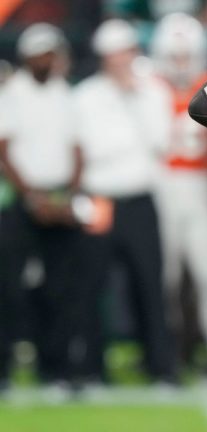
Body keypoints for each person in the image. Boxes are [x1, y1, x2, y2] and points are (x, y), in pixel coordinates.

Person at [71, 19, 176, 384]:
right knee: (91, 284)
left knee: (149, 283)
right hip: (98, 199)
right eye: (114, 55)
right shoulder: (84, 95)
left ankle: (160, 366)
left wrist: (132, 99)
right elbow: (89, 149)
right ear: (103, 57)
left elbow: (162, 140)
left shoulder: (153, 92)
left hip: (139, 198)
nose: (121, 61)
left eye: (126, 52)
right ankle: (90, 367)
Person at [150, 12, 207, 385]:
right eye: (173, 55)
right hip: (161, 186)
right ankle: (167, 359)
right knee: (164, 279)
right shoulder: (148, 86)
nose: (180, 62)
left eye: (185, 54)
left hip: (201, 189)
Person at [0, 23, 82, 388]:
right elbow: (3, 152)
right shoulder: (11, 94)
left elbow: (78, 149)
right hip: (21, 201)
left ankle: (56, 367)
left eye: (51, 53)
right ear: (27, 57)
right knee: (9, 286)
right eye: (40, 54)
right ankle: (5, 366)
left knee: (61, 286)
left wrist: (67, 195)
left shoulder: (66, 94)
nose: (46, 60)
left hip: (59, 196)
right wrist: (32, 197)